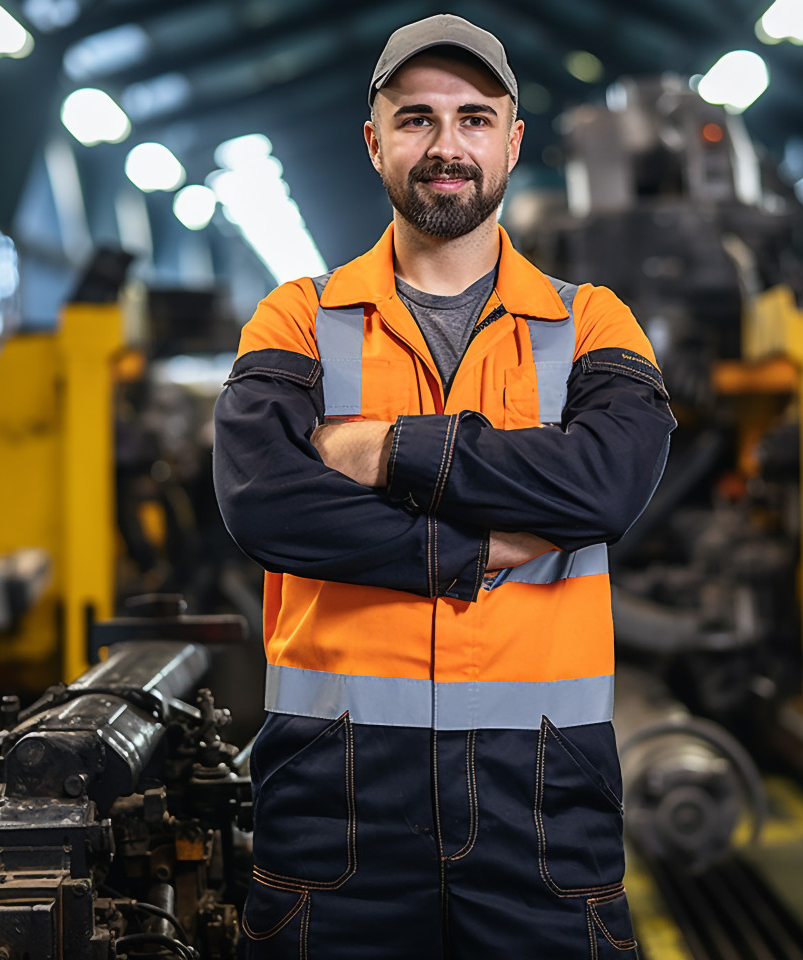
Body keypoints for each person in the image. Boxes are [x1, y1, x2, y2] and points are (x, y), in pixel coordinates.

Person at [213, 13, 675, 959]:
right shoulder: (301, 315)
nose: (446, 145)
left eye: (473, 117)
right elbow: (266, 501)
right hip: (333, 797)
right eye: (417, 118)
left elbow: (607, 485)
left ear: (511, 141)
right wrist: (471, 550)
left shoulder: (590, 322)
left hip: (543, 800)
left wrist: (385, 452)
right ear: (375, 139)